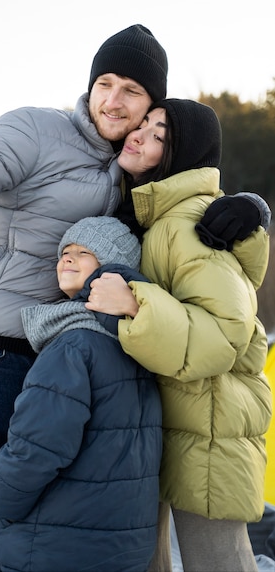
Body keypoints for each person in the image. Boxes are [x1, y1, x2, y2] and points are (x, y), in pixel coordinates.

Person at [0, 27, 267, 571]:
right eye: (105, 83)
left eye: (132, 93)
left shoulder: (130, 171)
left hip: (61, 353)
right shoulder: (37, 129)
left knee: (42, 518)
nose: (114, 101)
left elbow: (188, 195)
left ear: (152, 107)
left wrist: (251, 207)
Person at [85, 99, 272, 572]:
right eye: (144, 123)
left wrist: (135, 304)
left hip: (209, 431)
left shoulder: (187, 226)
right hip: (171, 424)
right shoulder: (153, 216)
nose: (140, 133)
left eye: (159, 135)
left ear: (181, 157)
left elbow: (224, 337)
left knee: (219, 563)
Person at [0, 216, 162, 572]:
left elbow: (37, 446)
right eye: (65, 251)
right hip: (123, 542)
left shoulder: (74, 345)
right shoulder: (140, 343)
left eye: (84, 253)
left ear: (113, 269)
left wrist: (1, 500)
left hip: (59, 543)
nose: (67, 258)